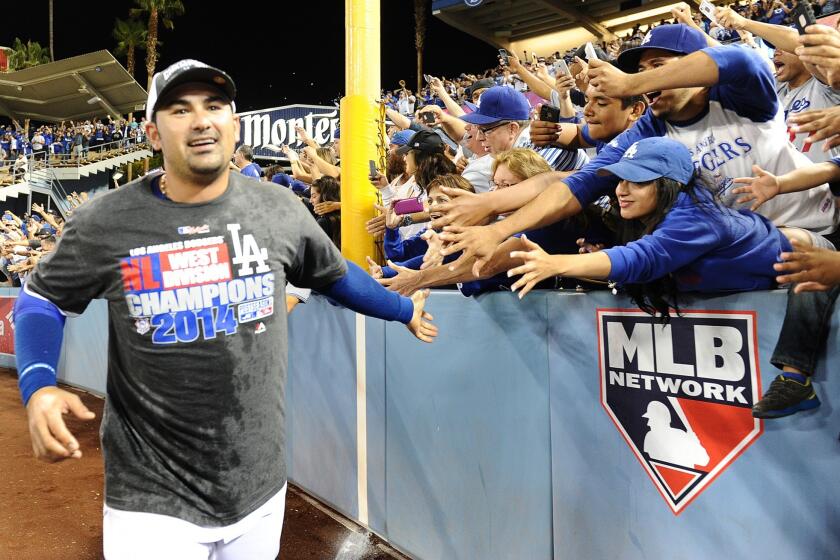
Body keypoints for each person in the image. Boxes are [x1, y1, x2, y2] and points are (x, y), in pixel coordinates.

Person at [14, 59, 438, 560]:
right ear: (152, 132)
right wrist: (38, 385)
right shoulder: (106, 221)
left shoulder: (279, 209)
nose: (201, 120)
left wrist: (400, 309)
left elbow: (337, 276)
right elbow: (41, 299)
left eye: (214, 106)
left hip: (256, 488)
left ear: (233, 126)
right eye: (180, 109)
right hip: (151, 498)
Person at [506, 137, 793, 311]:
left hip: (801, 263)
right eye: (621, 179)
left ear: (670, 185)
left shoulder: (697, 216)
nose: (622, 190)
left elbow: (644, 257)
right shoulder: (649, 219)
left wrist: (557, 263)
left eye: (638, 181)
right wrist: (597, 266)